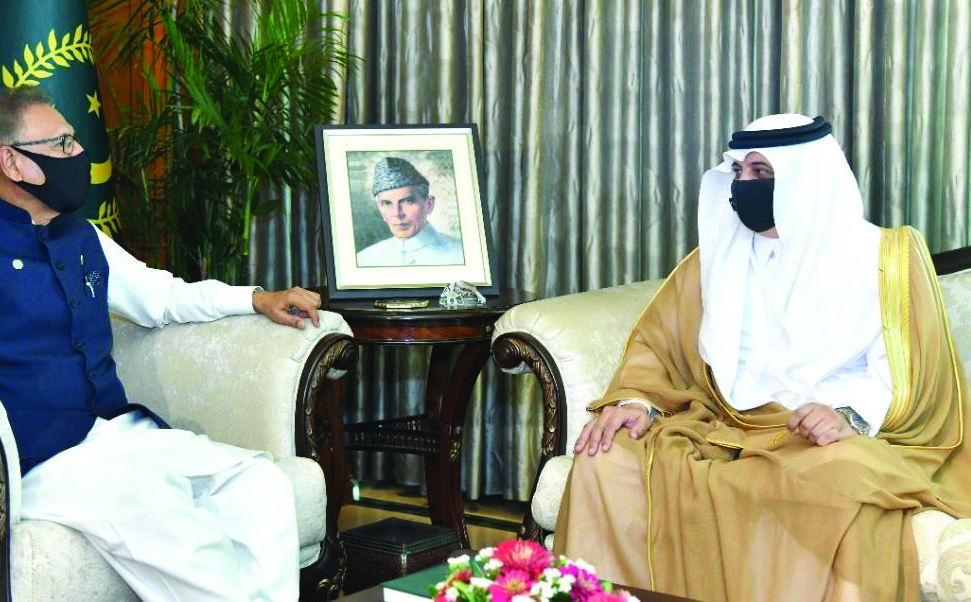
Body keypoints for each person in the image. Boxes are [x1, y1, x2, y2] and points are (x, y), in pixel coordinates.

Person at [0, 88, 322, 601]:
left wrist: (257, 298)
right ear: (12, 162)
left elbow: (162, 297)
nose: (79, 154)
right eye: (62, 143)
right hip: (36, 458)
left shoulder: (79, 234)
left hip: (112, 432)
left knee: (260, 486)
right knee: (160, 507)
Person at [553, 114, 971, 601]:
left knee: (840, 483)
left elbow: (911, 372)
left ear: (806, 180)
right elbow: (658, 345)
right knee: (604, 460)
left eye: (761, 174)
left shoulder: (887, 259)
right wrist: (636, 402)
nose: (744, 186)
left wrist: (847, 414)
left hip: (822, 434)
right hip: (720, 423)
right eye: (739, 174)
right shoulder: (716, 256)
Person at [355, 156, 465, 267]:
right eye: (387, 203)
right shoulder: (364, 259)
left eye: (407, 201)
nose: (397, 213)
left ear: (429, 205)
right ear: (379, 208)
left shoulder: (461, 255)